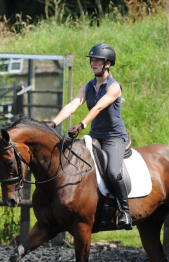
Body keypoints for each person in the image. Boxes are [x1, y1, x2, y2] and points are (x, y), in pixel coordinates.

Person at [47, 43, 132, 230]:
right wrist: (53, 123)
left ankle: (125, 212)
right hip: (95, 136)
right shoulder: (88, 86)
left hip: (113, 137)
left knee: (112, 172)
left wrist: (82, 124)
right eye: (92, 60)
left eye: (97, 60)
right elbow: (72, 105)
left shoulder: (114, 87)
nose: (93, 63)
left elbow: (99, 107)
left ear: (108, 63)